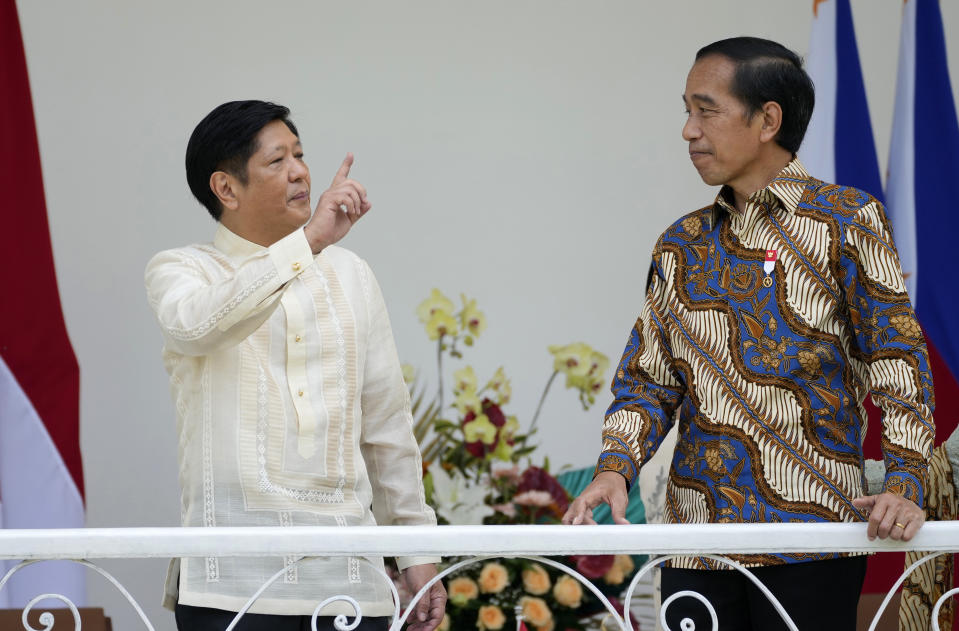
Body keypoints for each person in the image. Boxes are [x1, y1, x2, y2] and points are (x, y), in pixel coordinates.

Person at [562, 37, 935, 630]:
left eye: (705, 110)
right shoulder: (680, 244)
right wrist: (615, 467)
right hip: (697, 541)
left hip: (813, 538)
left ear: (767, 119)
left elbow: (898, 358)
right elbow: (647, 381)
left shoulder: (846, 220)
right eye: (686, 110)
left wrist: (906, 481)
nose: (688, 130)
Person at [146, 100, 446, 631]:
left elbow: (386, 427)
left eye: (301, 155)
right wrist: (307, 243)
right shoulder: (182, 270)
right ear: (227, 189)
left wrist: (417, 554)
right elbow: (195, 326)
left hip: (353, 588)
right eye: (277, 160)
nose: (300, 171)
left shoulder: (351, 273)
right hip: (230, 589)